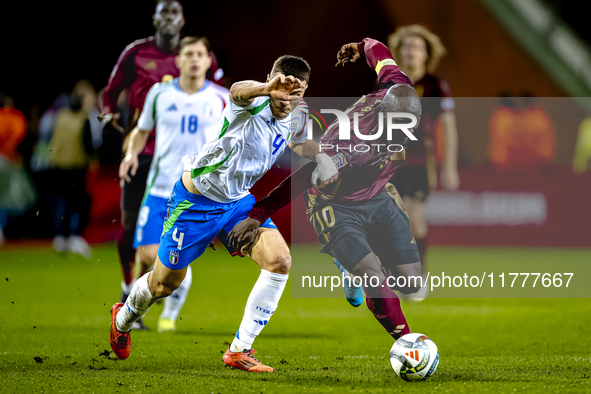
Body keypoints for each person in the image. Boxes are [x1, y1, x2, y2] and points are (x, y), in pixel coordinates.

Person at [109, 55, 340, 372]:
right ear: (270, 80)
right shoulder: (249, 103)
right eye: (281, 88)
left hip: (237, 204)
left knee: (280, 261)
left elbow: (301, 143)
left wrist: (323, 157)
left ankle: (240, 349)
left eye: (295, 91)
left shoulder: (300, 116)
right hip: (195, 201)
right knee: (164, 285)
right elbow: (236, 91)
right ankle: (122, 320)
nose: (287, 97)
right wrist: (265, 88)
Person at [228, 38, 423, 343]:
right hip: (334, 201)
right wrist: (257, 213)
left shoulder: (397, 85)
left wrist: (360, 47)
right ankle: (409, 344)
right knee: (373, 276)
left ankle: (353, 262)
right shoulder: (351, 141)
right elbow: (305, 176)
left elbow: (378, 50)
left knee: (412, 282)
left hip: (378, 194)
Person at [101, 0, 224, 323]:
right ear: (154, 19)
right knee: (130, 229)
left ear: (183, 20)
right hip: (143, 155)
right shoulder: (137, 56)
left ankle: (154, 297)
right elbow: (110, 92)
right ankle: (128, 287)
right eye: (163, 12)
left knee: (169, 244)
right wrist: (108, 113)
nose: (168, 18)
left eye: (174, 12)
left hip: (189, 169)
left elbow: (226, 107)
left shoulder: (208, 78)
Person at [386, 25, 459, 300]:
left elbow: (449, 126)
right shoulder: (387, 82)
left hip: (419, 163)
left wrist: (449, 166)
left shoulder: (435, 85)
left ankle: (418, 276)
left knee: (415, 219)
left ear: (426, 54)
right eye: (406, 46)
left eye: (416, 47)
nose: (410, 51)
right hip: (389, 162)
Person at [48, 81, 97, 258]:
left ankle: (60, 238)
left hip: (57, 164)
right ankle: (74, 236)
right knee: (76, 204)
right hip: (76, 165)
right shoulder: (84, 118)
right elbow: (87, 142)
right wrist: (93, 159)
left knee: (61, 202)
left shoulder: (60, 116)